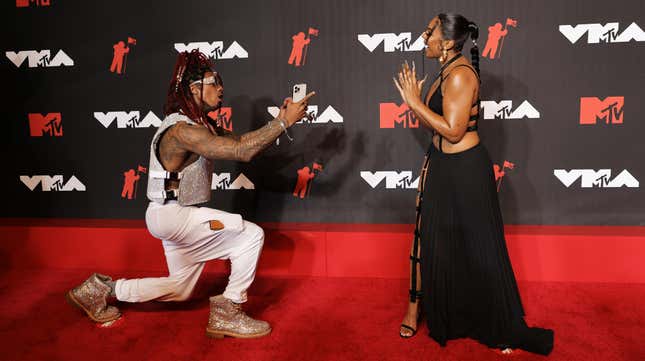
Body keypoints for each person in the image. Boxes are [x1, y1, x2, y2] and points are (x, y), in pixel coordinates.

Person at [66, 50, 315, 339]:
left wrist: (282, 118)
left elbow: (241, 141)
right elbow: (241, 152)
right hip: (175, 216)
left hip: (173, 215)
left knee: (180, 288)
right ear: (194, 89)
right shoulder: (182, 130)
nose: (222, 89)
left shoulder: (199, 125)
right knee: (251, 235)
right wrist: (282, 125)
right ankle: (229, 311)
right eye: (215, 82)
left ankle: (99, 291)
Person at [393, 13, 553, 355]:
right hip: (442, 166)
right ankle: (430, 311)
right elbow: (437, 129)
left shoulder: (461, 76)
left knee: (478, 248)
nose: (424, 36)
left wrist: (414, 103)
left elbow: (454, 130)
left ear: (449, 42)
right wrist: (420, 106)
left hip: (466, 171)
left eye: (430, 31)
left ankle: (495, 322)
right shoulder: (443, 73)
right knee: (432, 241)